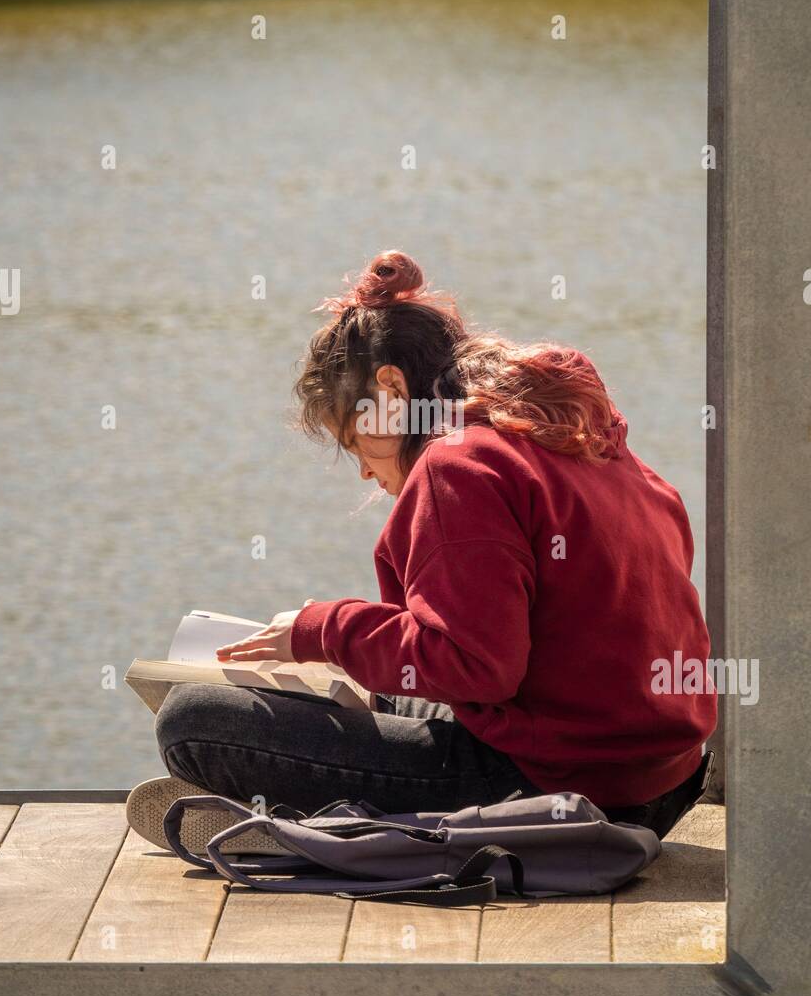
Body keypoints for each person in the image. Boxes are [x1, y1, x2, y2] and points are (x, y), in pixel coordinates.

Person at [128, 250, 717, 854]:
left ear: (389, 388)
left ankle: (327, 836)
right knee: (358, 686)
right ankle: (311, 816)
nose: (362, 471)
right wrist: (333, 646)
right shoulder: (567, 431)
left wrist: (323, 630)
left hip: (566, 788)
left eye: (353, 440)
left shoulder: (459, 465)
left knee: (195, 721)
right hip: (657, 776)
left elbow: (477, 668)